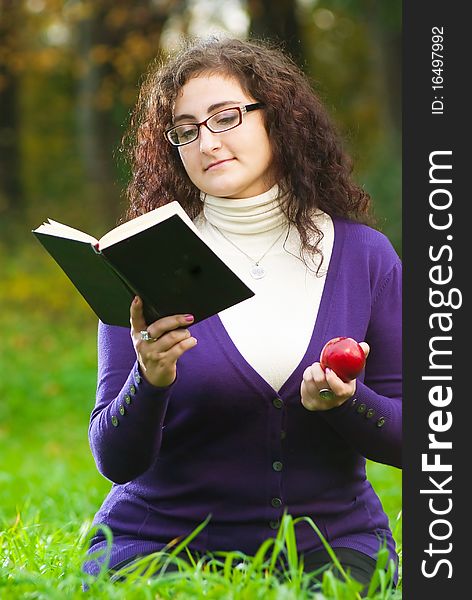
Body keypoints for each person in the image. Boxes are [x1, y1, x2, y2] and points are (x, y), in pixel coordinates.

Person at [83, 36, 402, 593]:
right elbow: (115, 459)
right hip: (160, 547)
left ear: (278, 118)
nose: (207, 141)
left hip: (330, 544)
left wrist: (350, 406)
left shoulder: (365, 258)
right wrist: (149, 379)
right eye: (185, 129)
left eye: (225, 117)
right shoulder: (145, 259)